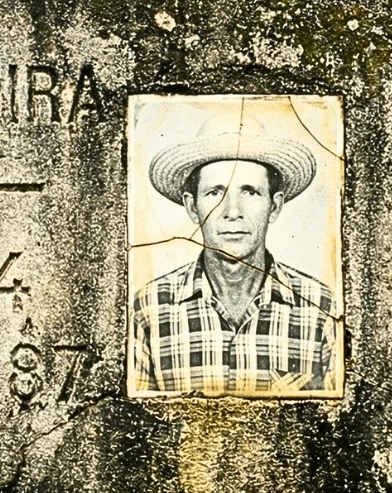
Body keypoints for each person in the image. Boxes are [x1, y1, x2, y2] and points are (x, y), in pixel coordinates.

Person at [129, 117, 336, 396]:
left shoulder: (322, 309)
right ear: (192, 207)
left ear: (274, 206)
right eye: (215, 192)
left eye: (250, 192)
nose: (232, 212)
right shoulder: (148, 309)